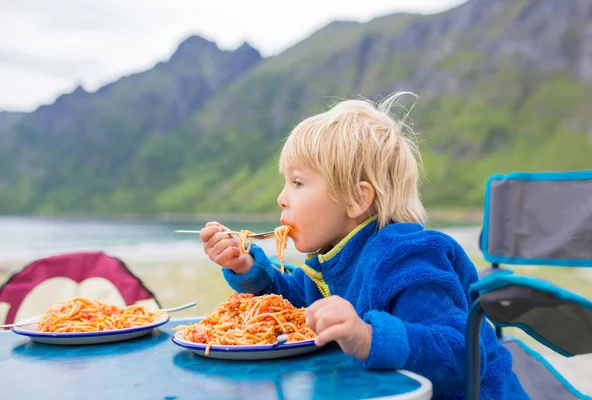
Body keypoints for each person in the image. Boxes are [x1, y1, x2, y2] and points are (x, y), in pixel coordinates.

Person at [199, 92, 528, 399]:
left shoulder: (407, 257)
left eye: (298, 183)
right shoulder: (331, 259)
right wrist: (249, 271)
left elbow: (462, 357)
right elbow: (298, 304)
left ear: (357, 199)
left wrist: (369, 337)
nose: (281, 199)